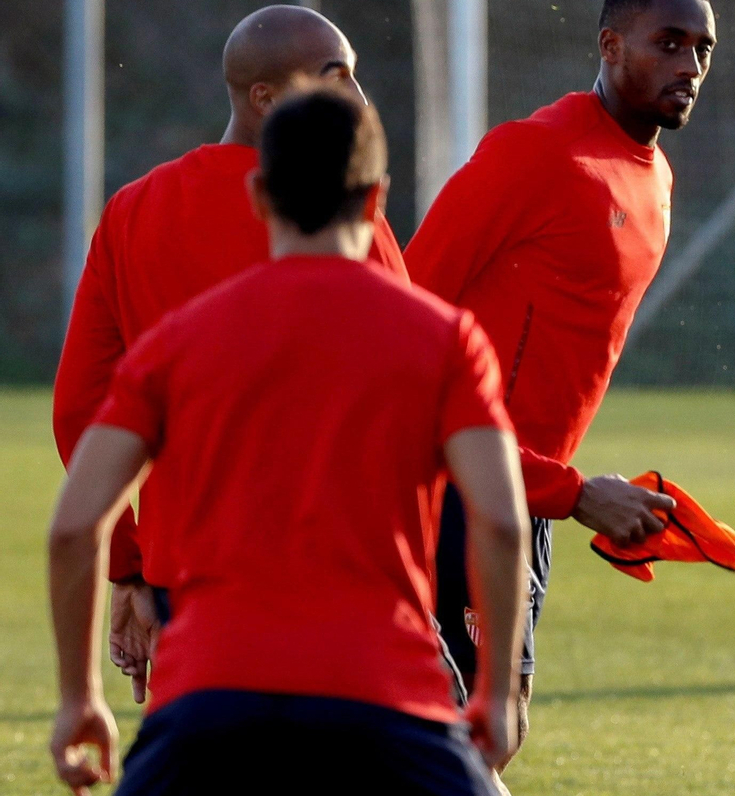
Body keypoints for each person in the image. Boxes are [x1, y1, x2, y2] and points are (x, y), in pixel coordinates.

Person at [47, 93, 528, 796]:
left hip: (209, 696)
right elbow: (504, 521)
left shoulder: (176, 343)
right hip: (382, 693)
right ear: (377, 199)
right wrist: (493, 691)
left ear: (258, 194)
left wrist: (77, 698)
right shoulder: (446, 339)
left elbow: (72, 527)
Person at [51, 5, 409, 702]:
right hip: (346, 587)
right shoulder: (349, 222)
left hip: (191, 586)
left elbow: (80, 410)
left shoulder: (131, 213)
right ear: (264, 99)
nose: (360, 101)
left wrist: (130, 565)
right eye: (336, 78)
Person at [405, 0, 712, 764]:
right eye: (668, 43)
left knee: (494, 734)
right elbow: (399, 327)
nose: (689, 66)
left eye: (702, 50)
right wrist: (576, 494)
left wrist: (575, 493)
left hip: (523, 492)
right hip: (440, 495)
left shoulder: (657, 179)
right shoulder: (533, 154)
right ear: (610, 46)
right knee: (455, 744)